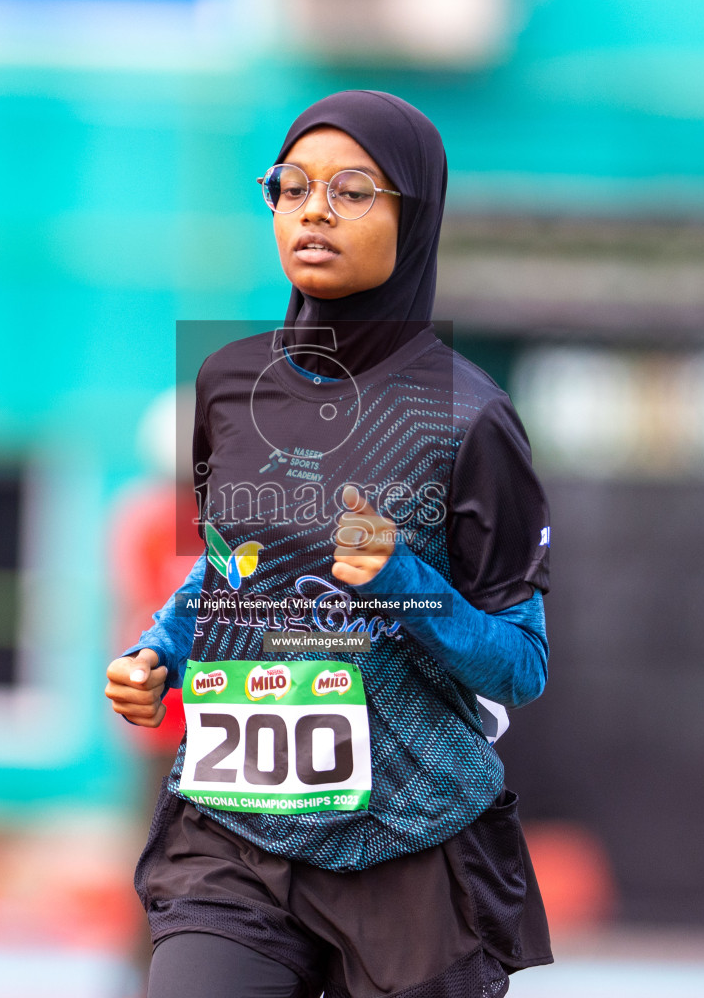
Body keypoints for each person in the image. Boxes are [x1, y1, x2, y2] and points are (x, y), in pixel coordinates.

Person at [104, 90, 555, 998]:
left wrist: (403, 582)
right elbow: (236, 564)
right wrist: (160, 649)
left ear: (412, 216)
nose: (314, 210)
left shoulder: (470, 418)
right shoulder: (230, 384)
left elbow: (523, 664)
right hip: (238, 829)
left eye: (352, 190)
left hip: (412, 846)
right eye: (291, 187)